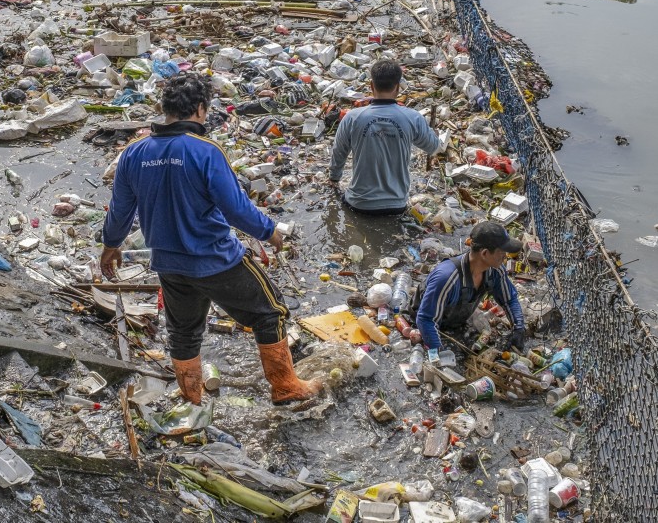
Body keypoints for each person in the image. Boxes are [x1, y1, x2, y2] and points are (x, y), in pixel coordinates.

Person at [99, 73, 321, 406]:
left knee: (184, 332)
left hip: (170, 265)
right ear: (201, 109)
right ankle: (286, 387)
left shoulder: (134, 154)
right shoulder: (205, 151)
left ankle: (192, 399)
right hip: (217, 260)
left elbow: (120, 212)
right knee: (270, 312)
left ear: (164, 108)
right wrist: (269, 231)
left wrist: (110, 246)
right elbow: (236, 210)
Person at [328, 59, 441, 215]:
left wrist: (334, 178)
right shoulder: (413, 118)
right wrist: (433, 133)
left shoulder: (352, 118)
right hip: (397, 205)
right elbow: (434, 147)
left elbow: (338, 153)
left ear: (371, 86)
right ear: (397, 88)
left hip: (359, 204)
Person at [415, 221, 527, 352]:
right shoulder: (447, 277)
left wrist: (519, 328)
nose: (505, 256)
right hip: (423, 324)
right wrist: (438, 351)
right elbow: (425, 319)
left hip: (457, 322)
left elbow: (509, 299)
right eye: (502, 252)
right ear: (484, 253)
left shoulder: (495, 270)